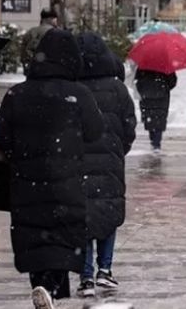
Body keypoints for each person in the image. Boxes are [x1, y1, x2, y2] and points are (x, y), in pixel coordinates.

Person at [0, 29, 104, 309]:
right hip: (66, 181)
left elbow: (1, 136)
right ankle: (52, 289)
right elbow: (95, 132)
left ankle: (41, 286)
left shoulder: (17, 93)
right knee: (62, 236)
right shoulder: (79, 94)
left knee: (34, 236)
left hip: (26, 181)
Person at [76, 33, 137, 298]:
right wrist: (118, 149)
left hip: (77, 161)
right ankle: (105, 269)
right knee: (108, 211)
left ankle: (86, 275)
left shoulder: (74, 89)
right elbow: (129, 126)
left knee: (83, 214)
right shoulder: (117, 88)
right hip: (111, 160)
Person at [135, 69, 177, 154]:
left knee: (150, 119)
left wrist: (143, 89)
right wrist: (165, 87)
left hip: (147, 96)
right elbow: (172, 81)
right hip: (161, 97)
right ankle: (156, 143)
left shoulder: (143, 66)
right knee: (159, 120)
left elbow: (137, 81)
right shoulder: (166, 66)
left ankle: (153, 141)